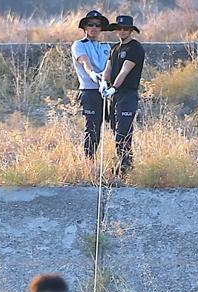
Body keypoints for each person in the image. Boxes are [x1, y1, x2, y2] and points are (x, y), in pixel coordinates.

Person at [101, 15, 145, 178]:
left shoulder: (135, 48)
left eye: (125, 29)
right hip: (115, 96)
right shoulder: (114, 48)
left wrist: (113, 88)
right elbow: (109, 68)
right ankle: (123, 163)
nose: (122, 31)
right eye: (119, 28)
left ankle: (125, 166)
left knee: (123, 131)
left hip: (127, 94)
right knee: (114, 129)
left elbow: (124, 71)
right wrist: (104, 83)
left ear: (131, 30)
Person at [72, 10, 111, 159]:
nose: (94, 28)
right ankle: (89, 161)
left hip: (107, 91)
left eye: (98, 25)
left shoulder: (106, 46)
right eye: (91, 25)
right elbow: (85, 62)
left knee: (115, 126)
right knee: (92, 128)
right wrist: (94, 75)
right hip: (90, 91)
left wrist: (107, 82)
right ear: (85, 27)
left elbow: (110, 65)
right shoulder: (79, 45)